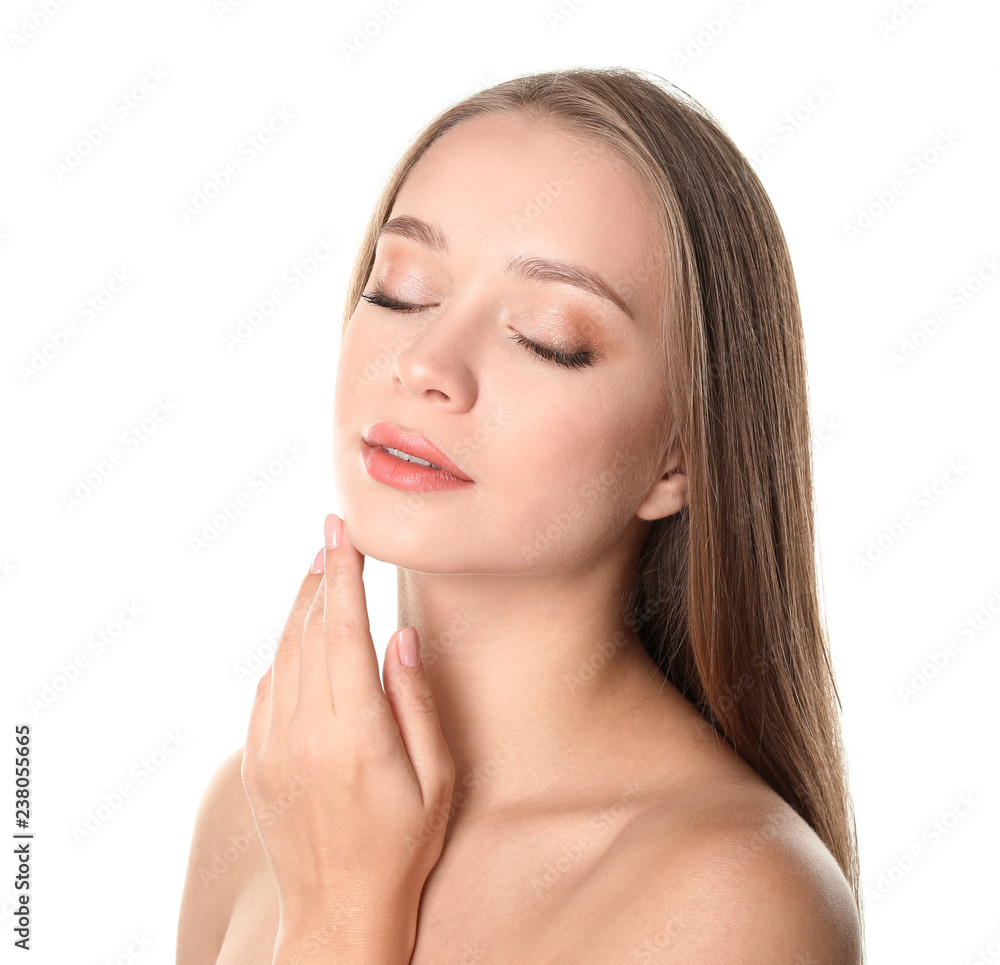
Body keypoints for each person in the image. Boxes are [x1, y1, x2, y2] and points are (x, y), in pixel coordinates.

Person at [176, 66, 864, 964]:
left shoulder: (732, 894)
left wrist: (343, 914)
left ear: (680, 456)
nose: (427, 360)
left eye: (547, 335)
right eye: (402, 290)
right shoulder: (264, 803)